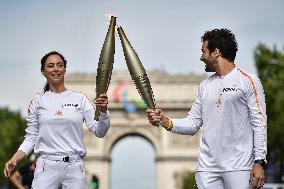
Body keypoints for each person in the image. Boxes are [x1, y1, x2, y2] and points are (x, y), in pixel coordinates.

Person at [147, 29, 267, 189]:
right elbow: (192, 124)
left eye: (204, 51)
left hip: (239, 166)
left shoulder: (248, 81)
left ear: (216, 52)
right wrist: (164, 120)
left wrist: (259, 161)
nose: (201, 57)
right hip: (207, 169)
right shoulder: (204, 86)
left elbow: (259, 123)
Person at [4, 51, 110, 189]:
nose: (55, 69)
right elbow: (31, 138)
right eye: (50, 66)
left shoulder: (81, 99)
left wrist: (103, 111)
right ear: (43, 71)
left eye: (59, 65)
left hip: (74, 167)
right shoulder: (37, 102)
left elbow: (99, 131)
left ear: (64, 69)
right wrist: (15, 158)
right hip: (46, 168)